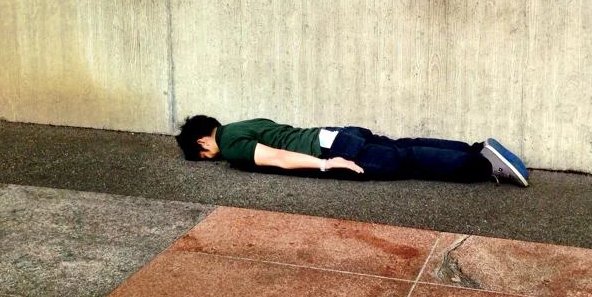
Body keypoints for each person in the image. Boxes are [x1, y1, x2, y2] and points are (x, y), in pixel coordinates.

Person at [175, 116, 530, 187]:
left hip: (335, 148)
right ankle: (477, 148)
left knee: (405, 160)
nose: (210, 159)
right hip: (336, 132)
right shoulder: (243, 123)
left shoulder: (233, 143)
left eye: (203, 155)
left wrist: (328, 165)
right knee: (402, 146)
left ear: (203, 141)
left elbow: (279, 157)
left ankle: (482, 166)